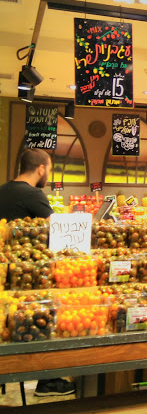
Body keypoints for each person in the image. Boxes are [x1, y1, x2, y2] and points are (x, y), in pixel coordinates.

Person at [0, 149, 75, 397]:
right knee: (43, 319)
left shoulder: (2, 190)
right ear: (41, 169)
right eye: (49, 169)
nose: (48, 174)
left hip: (3, 273)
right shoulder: (34, 195)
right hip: (27, 276)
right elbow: (59, 232)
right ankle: (48, 381)